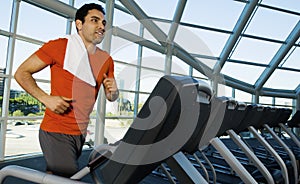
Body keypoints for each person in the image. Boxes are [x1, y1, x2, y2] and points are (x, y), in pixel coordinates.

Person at [14, 3, 119, 177]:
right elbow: (21, 73)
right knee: (68, 179)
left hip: (80, 133)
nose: (101, 26)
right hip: (56, 131)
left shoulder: (106, 60)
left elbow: (111, 97)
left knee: (54, 178)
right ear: (79, 24)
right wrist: (46, 99)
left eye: (103, 22)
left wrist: (114, 91)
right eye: (95, 20)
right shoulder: (58, 47)